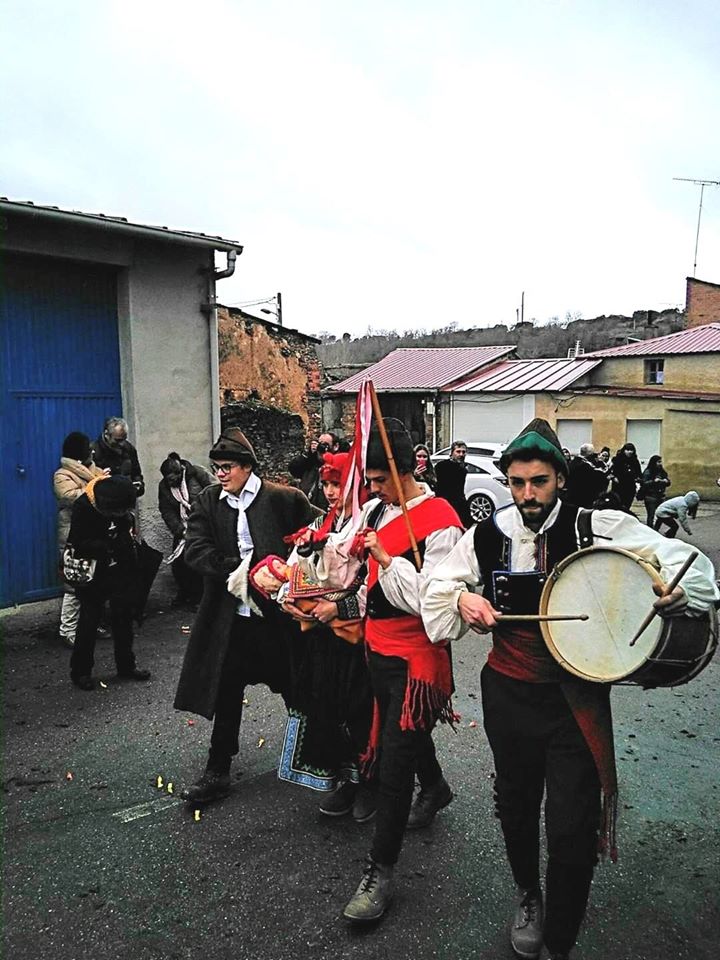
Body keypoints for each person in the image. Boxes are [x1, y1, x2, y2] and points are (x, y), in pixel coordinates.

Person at [422, 419, 718, 960]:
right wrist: (464, 600)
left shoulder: (595, 526)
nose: (527, 494)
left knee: (571, 825)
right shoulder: (485, 535)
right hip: (507, 692)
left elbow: (691, 567)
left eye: (538, 481)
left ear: (559, 477)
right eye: (516, 483)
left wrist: (673, 590)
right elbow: (437, 587)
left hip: (573, 698)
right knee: (515, 802)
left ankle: (559, 937)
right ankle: (528, 895)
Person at [342, 419, 464, 924]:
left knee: (394, 762)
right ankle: (434, 788)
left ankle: (380, 872)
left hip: (418, 659)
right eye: (369, 481)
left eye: (379, 479)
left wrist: (385, 557)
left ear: (409, 466)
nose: (373, 490)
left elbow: (429, 603)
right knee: (404, 736)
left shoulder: (442, 521)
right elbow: (353, 570)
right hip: (376, 647)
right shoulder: (375, 508)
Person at [174, 428, 320, 805]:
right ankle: (218, 769)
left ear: (247, 467)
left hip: (278, 619)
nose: (221, 474)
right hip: (231, 620)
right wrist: (238, 571)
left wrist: (290, 571)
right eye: (216, 468)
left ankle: (320, 754)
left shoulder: (284, 498)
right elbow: (195, 550)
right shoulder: (208, 501)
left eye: (227, 467)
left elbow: (318, 534)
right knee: (225, 691)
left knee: (297, 686)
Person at [273, 451, 375, 822]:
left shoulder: (368, 521)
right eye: (328, 484)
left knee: (360, 711)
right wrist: (289, 594)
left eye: (338, 484)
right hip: (322, 633)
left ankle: (370, 782)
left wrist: (339, 608)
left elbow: (370, 580)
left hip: (356, 634)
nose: (331, 491)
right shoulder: (329, 520)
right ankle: (345, 778)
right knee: (328, 707)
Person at [68, 475, 152, 690]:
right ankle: (81, 672)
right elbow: (78, 543)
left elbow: (126, 528)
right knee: (89, 621)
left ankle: (126, 666)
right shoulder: (83, 506)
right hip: (94, 571)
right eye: (118, 512)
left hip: (120, 568)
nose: (121, 515)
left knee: (124, 618)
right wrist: (107, 544)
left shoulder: (120, 496)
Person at [54, 432, 107, 647]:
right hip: (72, 535)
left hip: (94, 534)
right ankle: (68, 630)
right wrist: (98, 486)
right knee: (74, 583)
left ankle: (91, 624)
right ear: (78, 453)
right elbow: (69, 496)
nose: (92, 451)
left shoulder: (93, 469)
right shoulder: (62, 475)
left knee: (95, 582)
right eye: (87, 448)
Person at [158, 452, 215, 607]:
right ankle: (185, 594)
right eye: (168, 480)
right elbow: (166, 510)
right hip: (183, 529)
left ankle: (200, 599)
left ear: (181, 471)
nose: (172, 483)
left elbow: (216, 491)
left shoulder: (197, 473)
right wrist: (179, 529)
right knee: (179, 565)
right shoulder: (164, 487)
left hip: (205, 526)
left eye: (174, 479)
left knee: (200, 563)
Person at [92, 416, 145, 497]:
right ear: (106, 434)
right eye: (118, 440)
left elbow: (136, 472)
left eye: (124, 439)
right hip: (104, 501)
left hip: (126, 500)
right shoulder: (94, 452)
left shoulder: (129, 449)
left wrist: (139, 485)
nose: (122, 444)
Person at [288, 432, 340, 509]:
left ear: (335, 446)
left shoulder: (339, 465)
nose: (321, 448)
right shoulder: (310, 463)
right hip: (307, 511)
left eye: (326, 444)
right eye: (320, 444)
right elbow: (293, 469)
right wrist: (308, 453)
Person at [434, 440, 471, 528]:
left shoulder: (463, 470)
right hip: (445, 504)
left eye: (463, 452)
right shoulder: (441, 466)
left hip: (459, 504)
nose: (461, 454)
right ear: (452, 453)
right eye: (458, 451)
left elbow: (460, 490)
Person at [564, 443, 609, 508]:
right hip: (584, 497)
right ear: (589, 453)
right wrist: (601, 462)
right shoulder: (585, 465)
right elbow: (601, 474)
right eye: (592, 453)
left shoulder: (573, 462)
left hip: (572, 495)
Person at [638, 455, 671, 527]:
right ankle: (650, 529)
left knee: (661, 514)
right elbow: (644, 483)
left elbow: (668, 482)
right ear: (654, 462)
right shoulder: (648, 471)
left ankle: (656, 529)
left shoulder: (662, 471)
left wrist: (666, 481)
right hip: (650, 496)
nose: (660, 463)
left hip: (660, 495)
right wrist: (653, 481)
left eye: (660, 462)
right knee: (651, 515)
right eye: (658, 462)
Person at [610, 443, 641, 511]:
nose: (630, 452)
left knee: (627, 505)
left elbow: (638, 473)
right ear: (624, 450)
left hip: (630, 486)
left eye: (631, 450)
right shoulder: (617, 459)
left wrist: (637, 478)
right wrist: (614, 478)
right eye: (628, 450)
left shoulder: (635, 461)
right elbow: (611, 471)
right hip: (618, 486)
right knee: (617, 504)